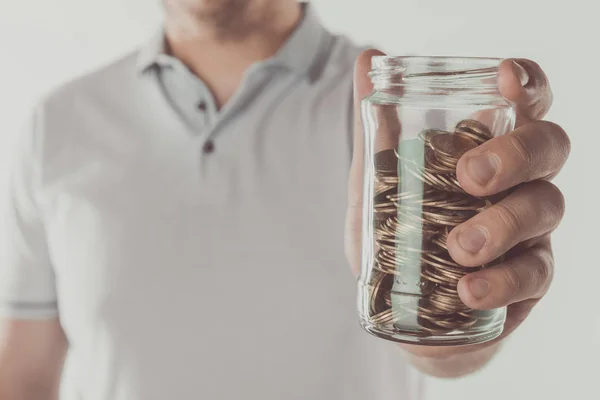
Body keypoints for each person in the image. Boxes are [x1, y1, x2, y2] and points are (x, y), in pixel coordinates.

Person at [0, 1, 570, 399]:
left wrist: (452, 326)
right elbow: (24, 377)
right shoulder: (57, 126)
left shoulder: (397, 124)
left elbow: (439, 348)